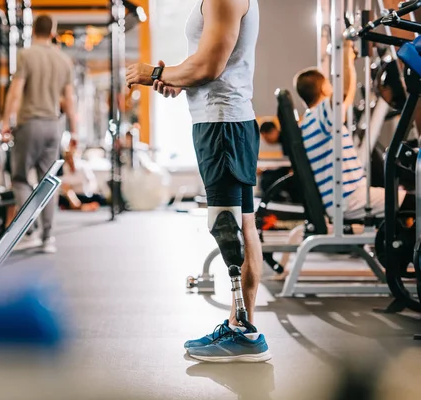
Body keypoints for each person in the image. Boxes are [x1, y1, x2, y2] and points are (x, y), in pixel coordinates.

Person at [126, 0, 271, 363]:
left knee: (227, 225)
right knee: (243, 225)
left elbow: (209, 65)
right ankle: (242, 324)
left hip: (222, 123)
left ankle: (244, 333)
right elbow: (204, 64)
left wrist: (155, 73)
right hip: (225, 120)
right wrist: (175, 78)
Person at [294, 40, 408, 220]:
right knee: (414, 202)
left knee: (405, 200)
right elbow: (344, 93)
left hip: (348, 196)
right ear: (324, 87)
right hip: (349, 198)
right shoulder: (320, 114)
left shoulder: (310, 121)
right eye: (329, 84)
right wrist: (346, 54)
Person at [1, 14, 77, 254]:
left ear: (34, 30)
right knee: (49, 183)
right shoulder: (63, 60)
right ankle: (47, 238)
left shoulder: (26, 55)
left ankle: (30, 229)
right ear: (53, 32)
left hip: (29, 123)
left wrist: (5, 121)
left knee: (21, 179)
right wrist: (74, 131)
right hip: (53, 126)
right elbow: (70, 101)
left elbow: (15, 92)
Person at [59, 139, 106, 212]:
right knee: (64, 194)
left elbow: (78, 179)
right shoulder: (66, 166)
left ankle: (79, 206)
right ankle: (80, 206)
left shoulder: (82, 165)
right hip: (73, 194)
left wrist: (65, 181)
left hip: (84, 194)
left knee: (99, 198)